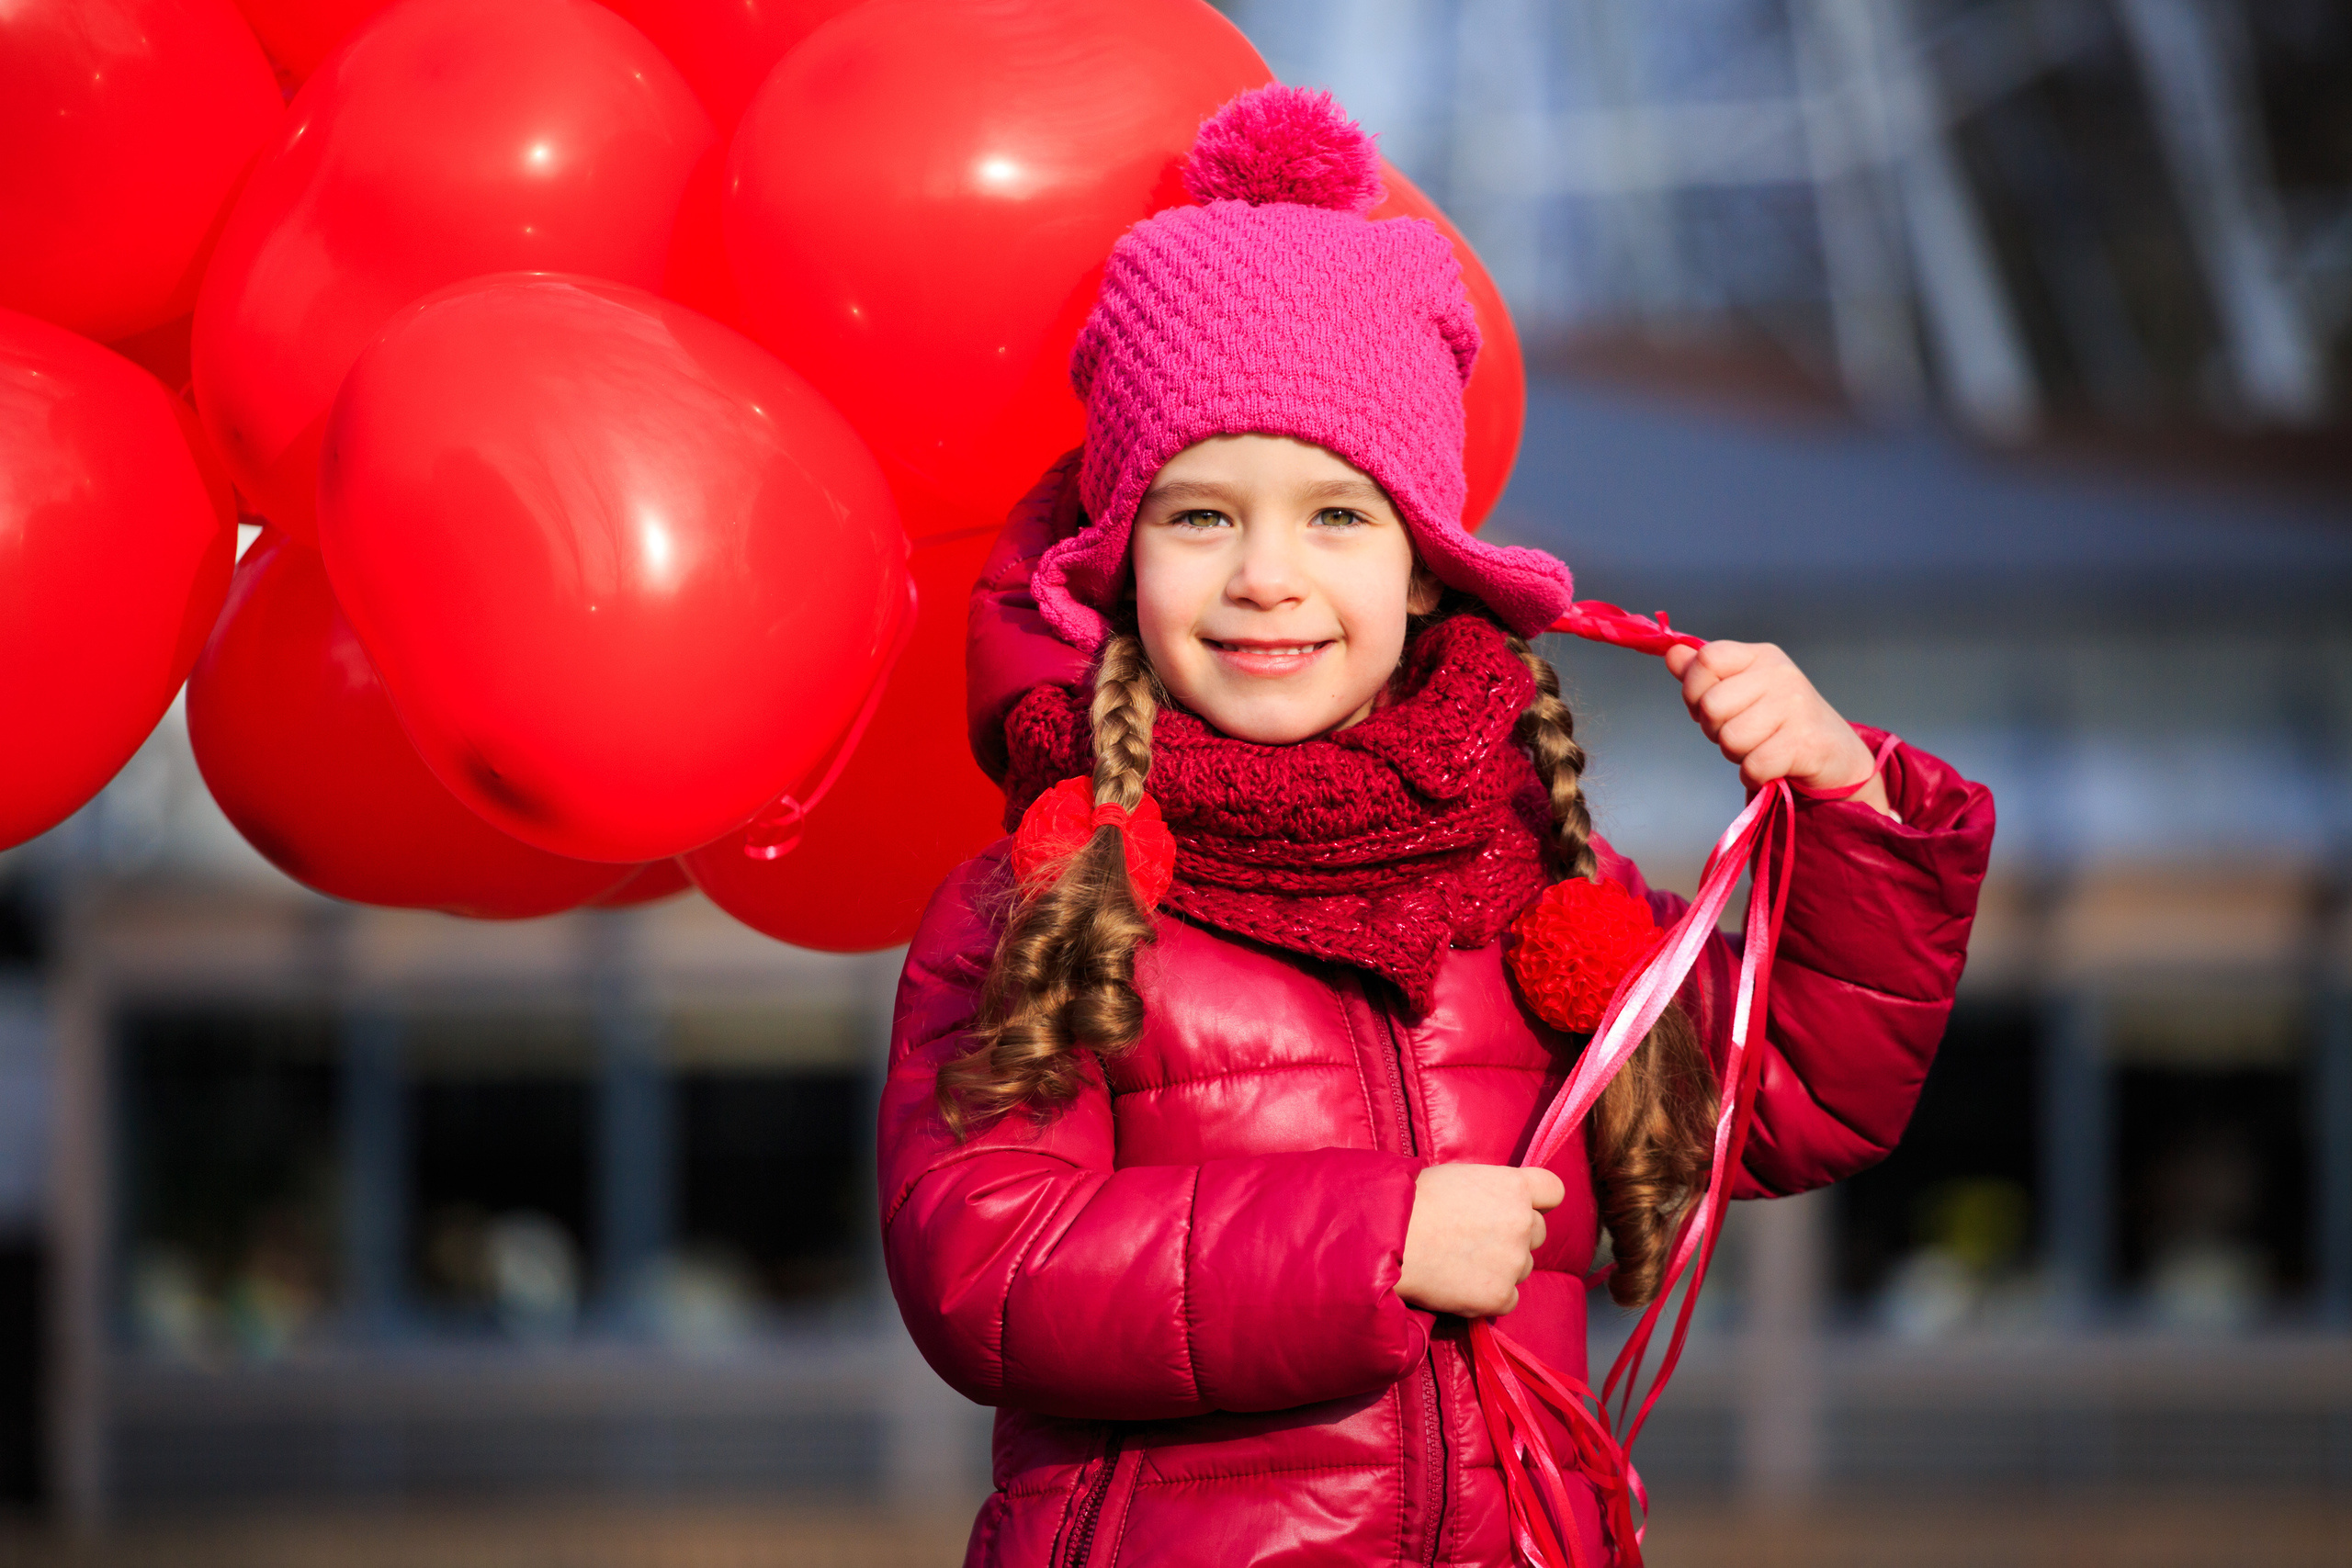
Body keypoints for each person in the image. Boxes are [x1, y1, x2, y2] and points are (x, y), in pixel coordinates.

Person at [879, 85, 1995, 1568]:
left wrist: (1851, 804)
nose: (1266, 576)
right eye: (1199, 516)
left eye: (1337, 517)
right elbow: (985, 1265)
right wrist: (1377, 1243)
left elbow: (1786, 1084)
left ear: (1424, 570)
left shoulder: (1537, 886)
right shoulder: (1050, 899)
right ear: (1118, 558)